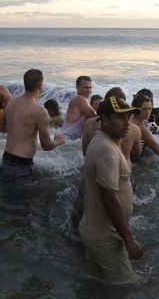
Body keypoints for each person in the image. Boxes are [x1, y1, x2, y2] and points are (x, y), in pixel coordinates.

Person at [80, 96, 144, 281]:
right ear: (105, 119)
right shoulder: (107, 152)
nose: (127, 123)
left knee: (97, 285)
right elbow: (109, 198)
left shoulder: (105, 142)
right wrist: (129, 239)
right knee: (125, 287)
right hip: (105, 236)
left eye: (129, 117)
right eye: (120, 117)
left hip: (97, 229)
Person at [0, 69, 65, 186]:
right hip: (21, 165)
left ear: (25, 83)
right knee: (21, 202)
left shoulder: (11, 103)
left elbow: (1, 127)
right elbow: (46, 146)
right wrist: (58, 141)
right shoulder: (40, 111)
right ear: (40, 85)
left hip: (6, 160)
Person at [82, 88, 142, 163]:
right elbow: (137, 155)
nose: (126, 123)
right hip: (124, 170)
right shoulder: (135, 129)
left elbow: (85, 153)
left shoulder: (89, 124)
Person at [60, 75, 96, 140]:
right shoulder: (80, 99)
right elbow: (93, 115)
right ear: (77, 87)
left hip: (66, 139)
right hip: (67, 139)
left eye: (90, 87)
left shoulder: (78, 100)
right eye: (86, 87)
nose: (89, 90)